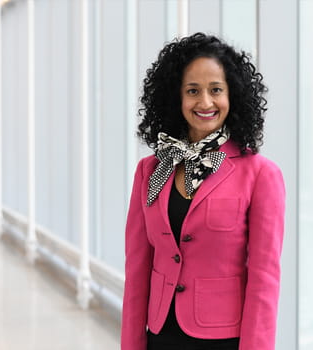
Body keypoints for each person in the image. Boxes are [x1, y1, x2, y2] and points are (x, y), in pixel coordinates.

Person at [121, 32, 286, 350]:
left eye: (216, 90)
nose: (205, 102)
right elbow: (138, 265)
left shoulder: (261, 175)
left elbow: (264, 279)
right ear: (176, 97)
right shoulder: (151, 170)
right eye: (192, 91)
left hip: (223, 339)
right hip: (160, 335)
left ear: (232, 96)